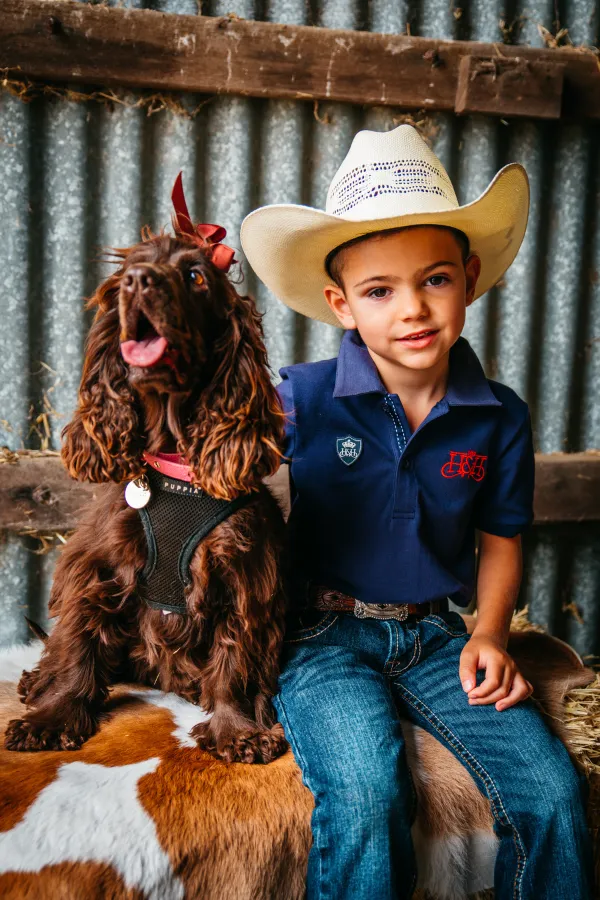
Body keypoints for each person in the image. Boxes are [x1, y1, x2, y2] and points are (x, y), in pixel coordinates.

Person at [240, 125, 594, 900]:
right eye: (378, 291)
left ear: (469, 278)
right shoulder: (299, 396)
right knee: (368, 793)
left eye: (434, 280)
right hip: (320, 634)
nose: (413, 310)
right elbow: (217, 472)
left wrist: (493, 633)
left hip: (437, 635)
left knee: (554, 793)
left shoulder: (498, 416)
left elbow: (501, 537)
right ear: (340, 305)